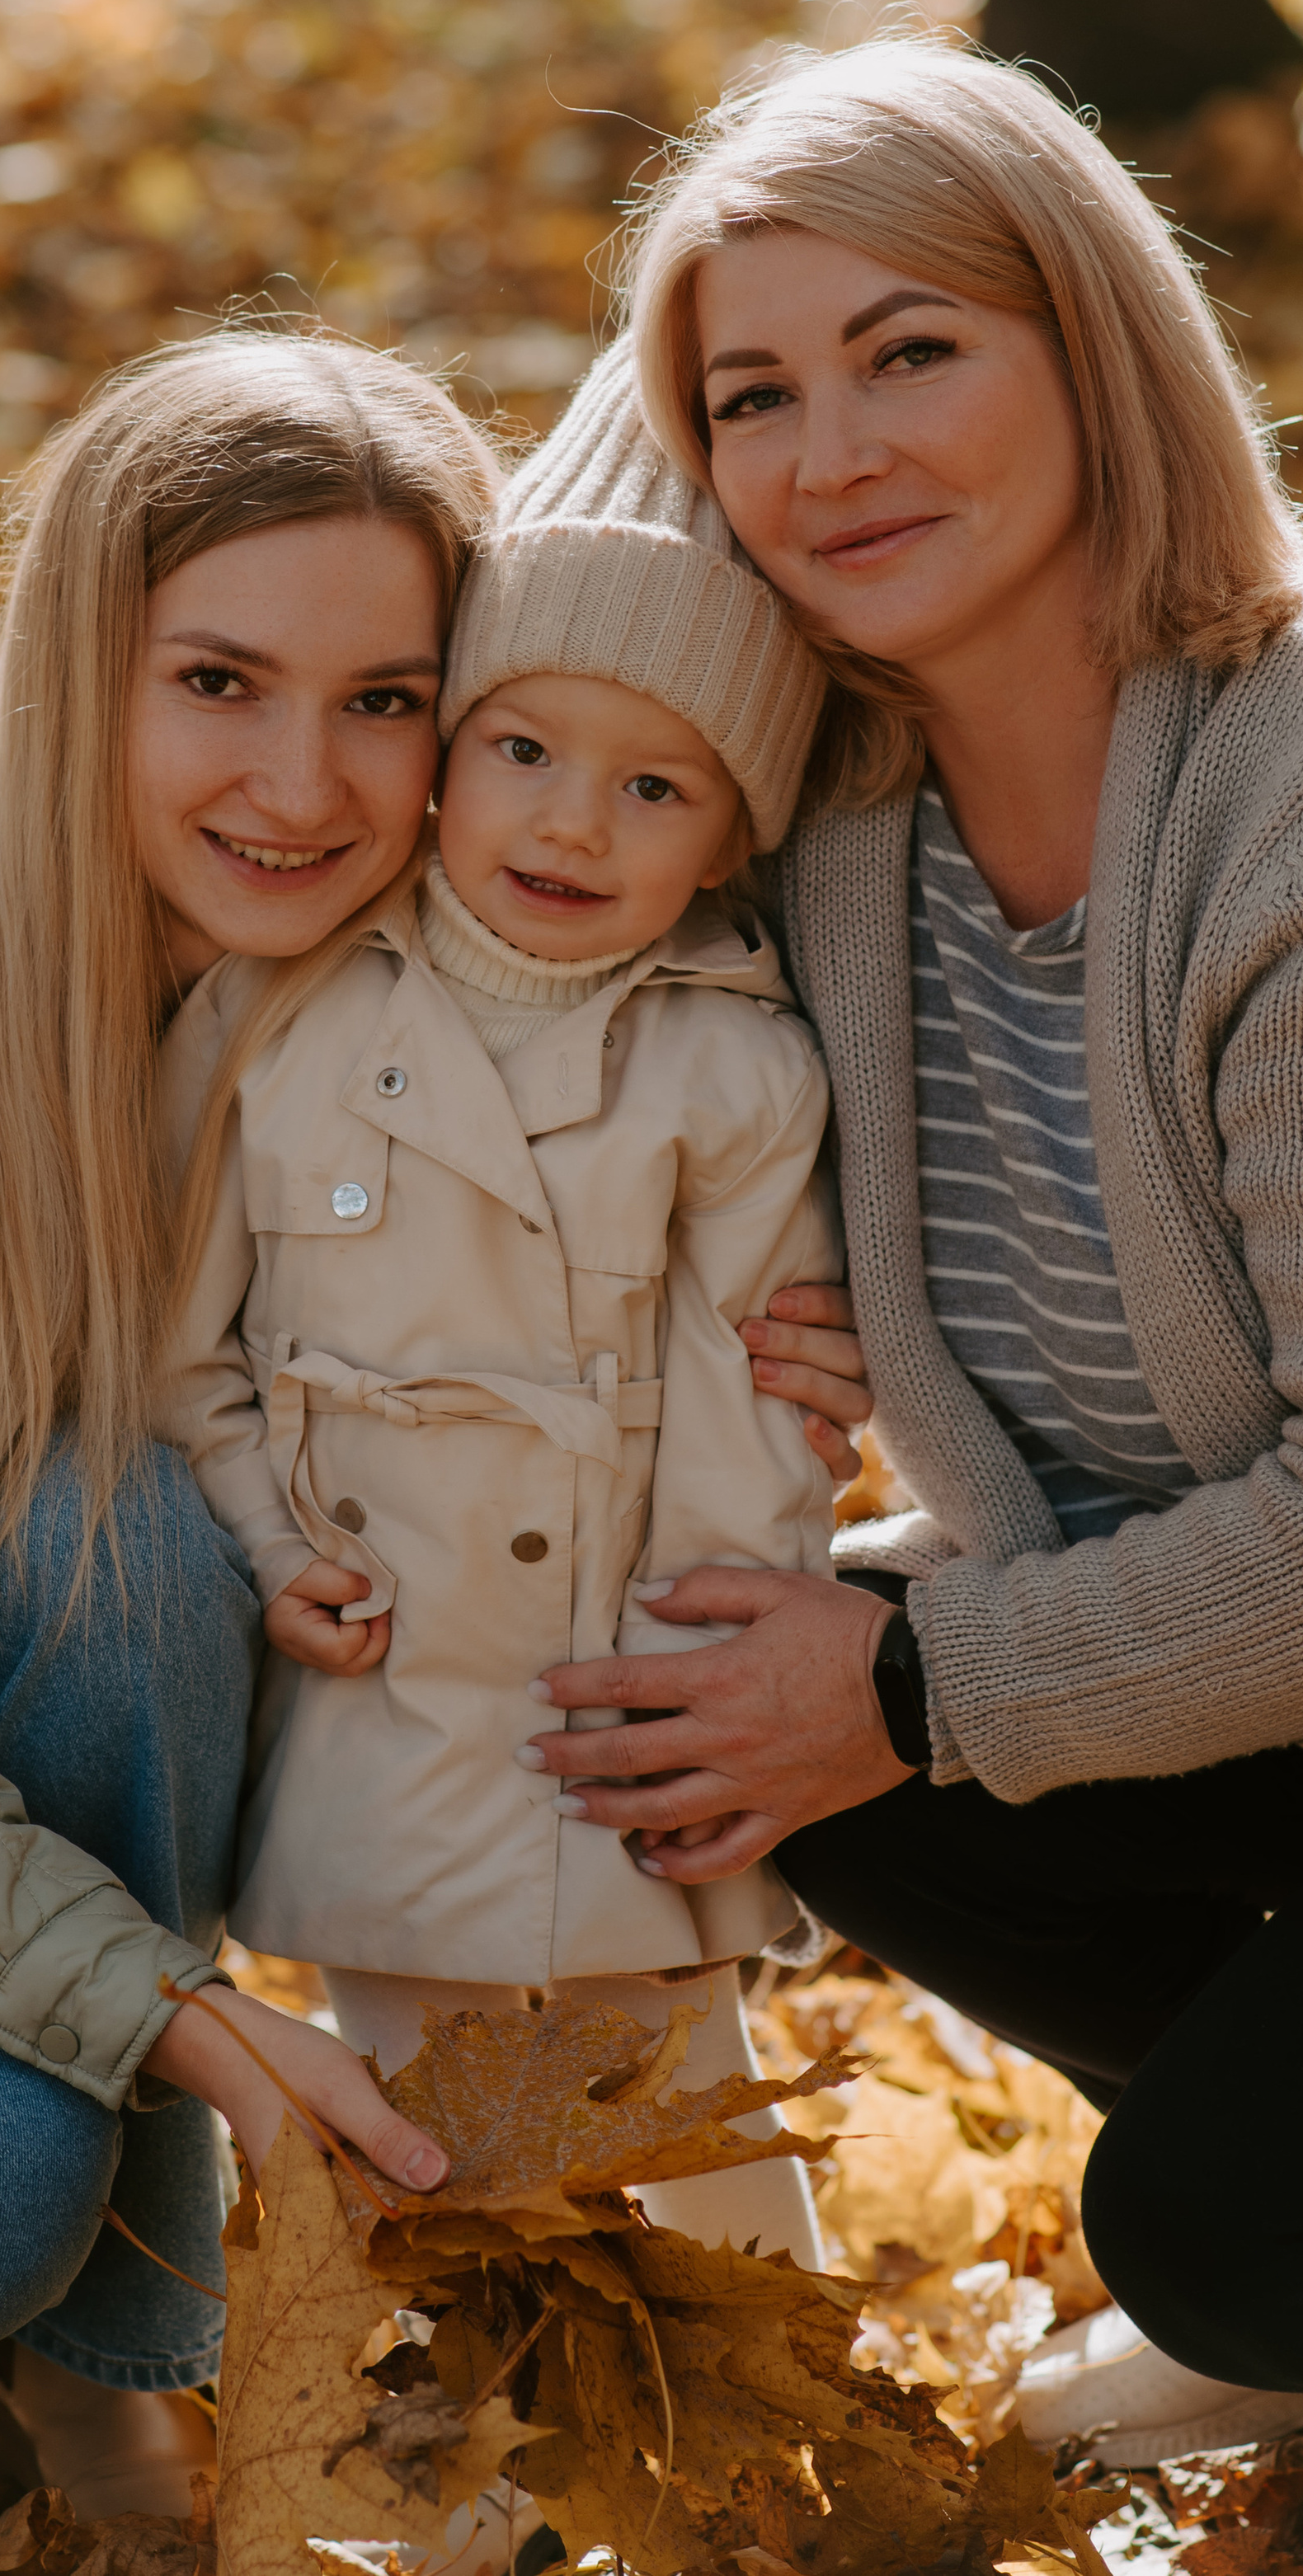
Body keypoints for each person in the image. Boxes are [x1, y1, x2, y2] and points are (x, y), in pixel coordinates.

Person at [0, 324, 871, 2558]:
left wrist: (804, 1323)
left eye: (385, 700)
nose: (304, 783)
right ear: (74, 671)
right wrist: (184, 2023)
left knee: (118, 1539)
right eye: (218, 682)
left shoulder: (350, 965)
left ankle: (102, 2381)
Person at [510, 34, 1303, 2466]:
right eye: (749, 399)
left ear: (1098, 347)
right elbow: (521, 702)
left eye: (911, 351)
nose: (830, 456)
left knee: (1224, 2227)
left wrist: (918, 1686)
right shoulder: (836, 817)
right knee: (712, 1687)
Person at [156, 411, 838, 2293]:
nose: (567, 821)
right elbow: (179, 1349)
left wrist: (712, 1698)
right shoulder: (275, 1006)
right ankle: (446, 2433)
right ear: (448, 746)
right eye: (522, 749)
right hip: (378, 1668)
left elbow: (758, 1403)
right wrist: (265, 1540)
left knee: (679, 2086)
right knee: (410, 2110)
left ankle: (785, 2409)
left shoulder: (733, 1066)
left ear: (731, 833)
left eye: (653, 786)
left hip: (612, 1678)